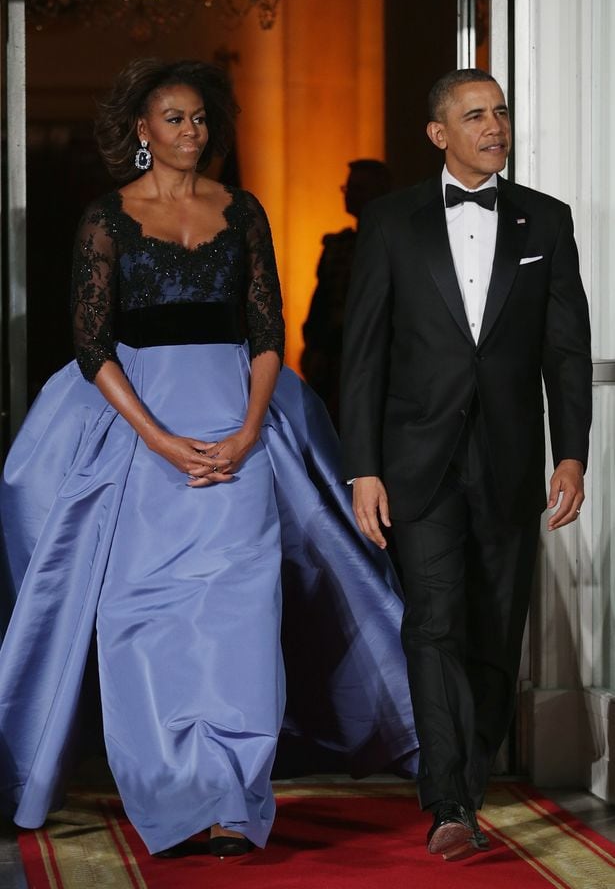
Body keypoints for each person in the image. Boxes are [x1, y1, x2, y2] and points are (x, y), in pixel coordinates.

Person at [0, 59, 418, 860]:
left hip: (240, 423)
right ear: (140, 132)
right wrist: (157, 438)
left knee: (238, 619)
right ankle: (168, 792)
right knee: (141, 620)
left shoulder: (243, 210)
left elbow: (267, 330)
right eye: (174, 118)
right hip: (139, 433)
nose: (190, 132)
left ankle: (231, 799)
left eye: (199, 118)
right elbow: (91, 344)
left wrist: (248, 428)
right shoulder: (104, 218)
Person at [340, 68, 592, 862]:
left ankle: (468, 779)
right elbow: (364, 354)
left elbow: (565, 350)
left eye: (500, 112)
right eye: (474, 114)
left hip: (512, 461)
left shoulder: (545, 222)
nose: (494, 125)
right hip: (417, 463)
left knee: (492, 631)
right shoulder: (388, 223)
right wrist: (362, 468)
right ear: (437, 133)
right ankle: (446, 798)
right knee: (435, 622)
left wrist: (572, 453)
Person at [301, 159, 391, 429]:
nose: (351, 195)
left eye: (360, 188)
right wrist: (315, 348)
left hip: (380, 358)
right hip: (335, 355)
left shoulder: (394, 244)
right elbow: (321, 305)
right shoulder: (338, 247)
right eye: (348, 188)